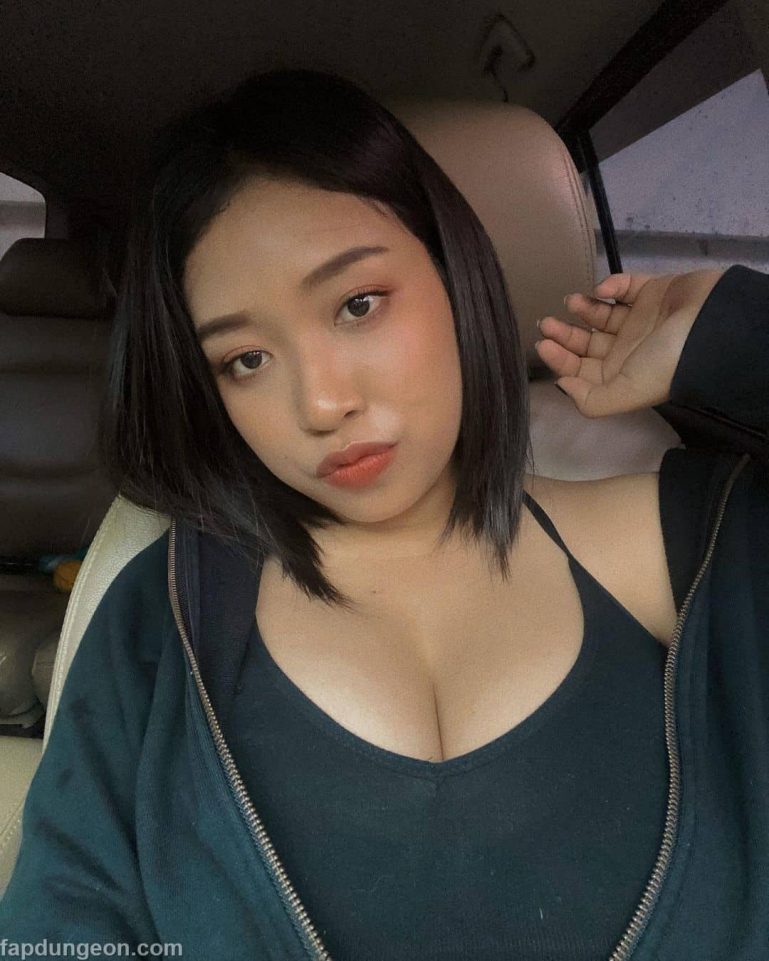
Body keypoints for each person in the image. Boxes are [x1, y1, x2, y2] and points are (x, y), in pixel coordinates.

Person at [0, 67, 767, 961]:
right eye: (245, 360)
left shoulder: (707, 541)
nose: (320, 403)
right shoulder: (158, 618)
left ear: (453, 271)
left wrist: (737, 337)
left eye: (357, 305)